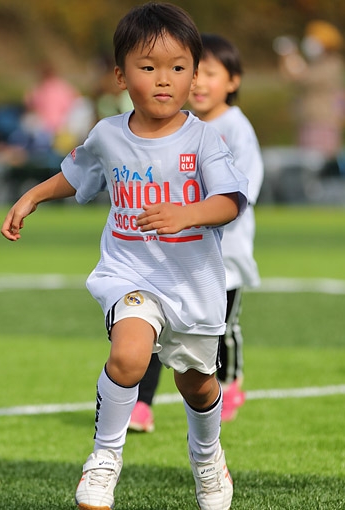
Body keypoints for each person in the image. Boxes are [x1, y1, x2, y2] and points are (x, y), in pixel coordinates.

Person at [1, 4, 248, 509]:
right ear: (121, 75)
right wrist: (33, 196)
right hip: (130, 272)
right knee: (128, 357)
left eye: (178, 68)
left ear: (193, 76)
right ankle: (104, 460)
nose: (164, 79)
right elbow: (76, 174)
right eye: (148, 67)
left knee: (198, 386)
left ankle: (208, 458)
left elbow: (231, 201)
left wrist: (188, 214)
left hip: (193, 283)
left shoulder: (204, 138)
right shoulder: (109, 135)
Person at [129, 33, 264, 433]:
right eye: (193, 72)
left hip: (223, 256)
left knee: (219, 328)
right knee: (154, 322)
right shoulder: (178, 125)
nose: (199, 83)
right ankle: (141, 405)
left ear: (233, 81)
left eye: (210, 74)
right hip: (173, 249)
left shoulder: (235, 128)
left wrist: (197, 214)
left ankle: (229, 383)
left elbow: (242, 192)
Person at [274, 20, 345, 161]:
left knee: (321, 162)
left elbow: (303, 78)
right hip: (307, 120)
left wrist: (290, 55)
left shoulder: (332, 65)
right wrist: (286, 59)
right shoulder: (316, 64)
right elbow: (289, 78)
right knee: (305, 161)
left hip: (323, 121)